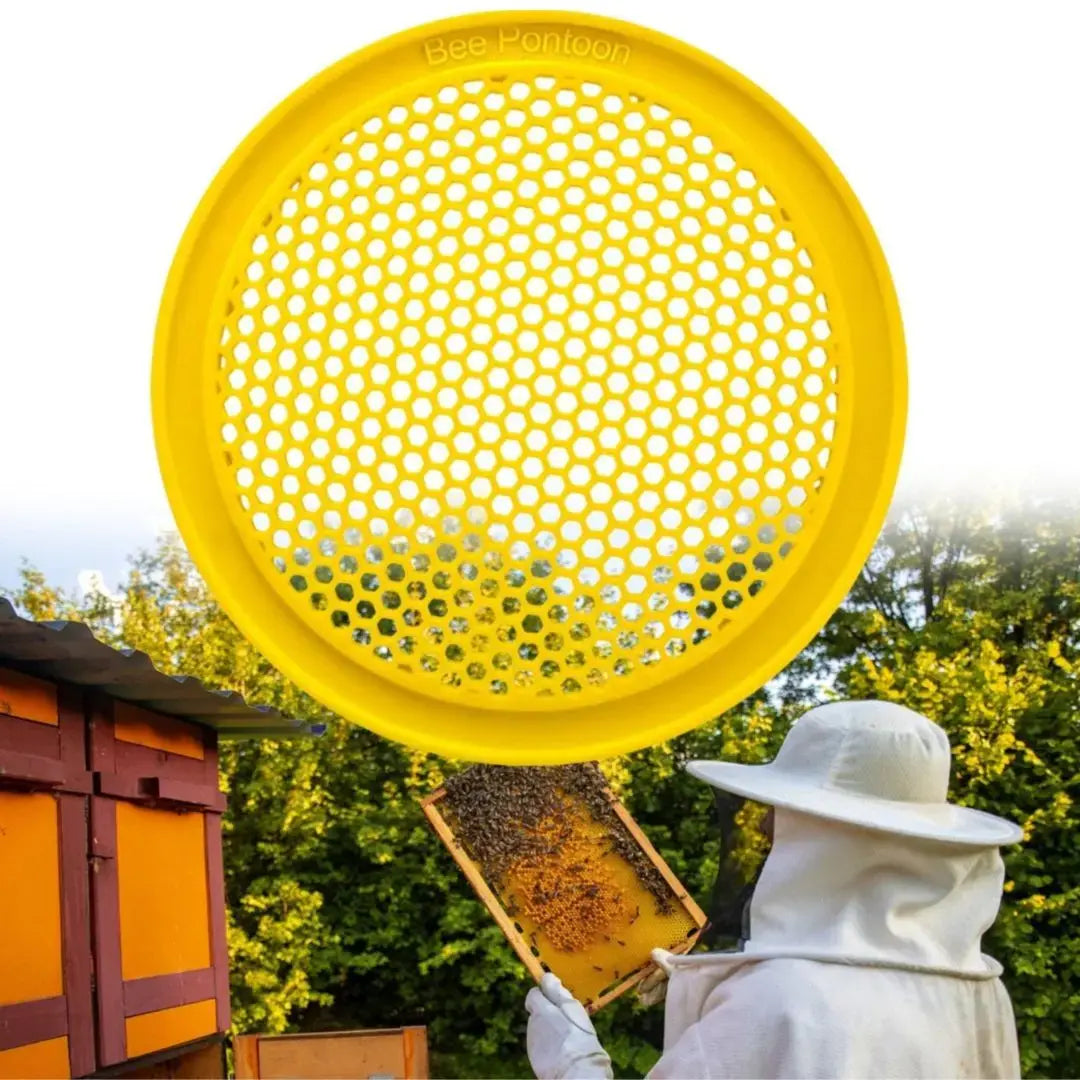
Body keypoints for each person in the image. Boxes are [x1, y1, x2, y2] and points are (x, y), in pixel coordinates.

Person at [525, 700, 1023, 1079]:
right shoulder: (980, 994)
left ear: (828, 836)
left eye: (780, 811)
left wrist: (574, 1063)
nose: (763, 825)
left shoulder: (781, 1001)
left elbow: (775, 1016)